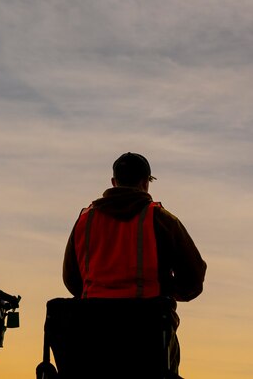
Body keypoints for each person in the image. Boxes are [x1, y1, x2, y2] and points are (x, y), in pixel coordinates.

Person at [62, 152, 206, 373]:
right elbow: (193, 279)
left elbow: (71, 280)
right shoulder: (163, 219)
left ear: (113, 182)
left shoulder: (84, 221)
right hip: (150, 336)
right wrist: (167, 291)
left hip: (91, 336)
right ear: (145, 183)